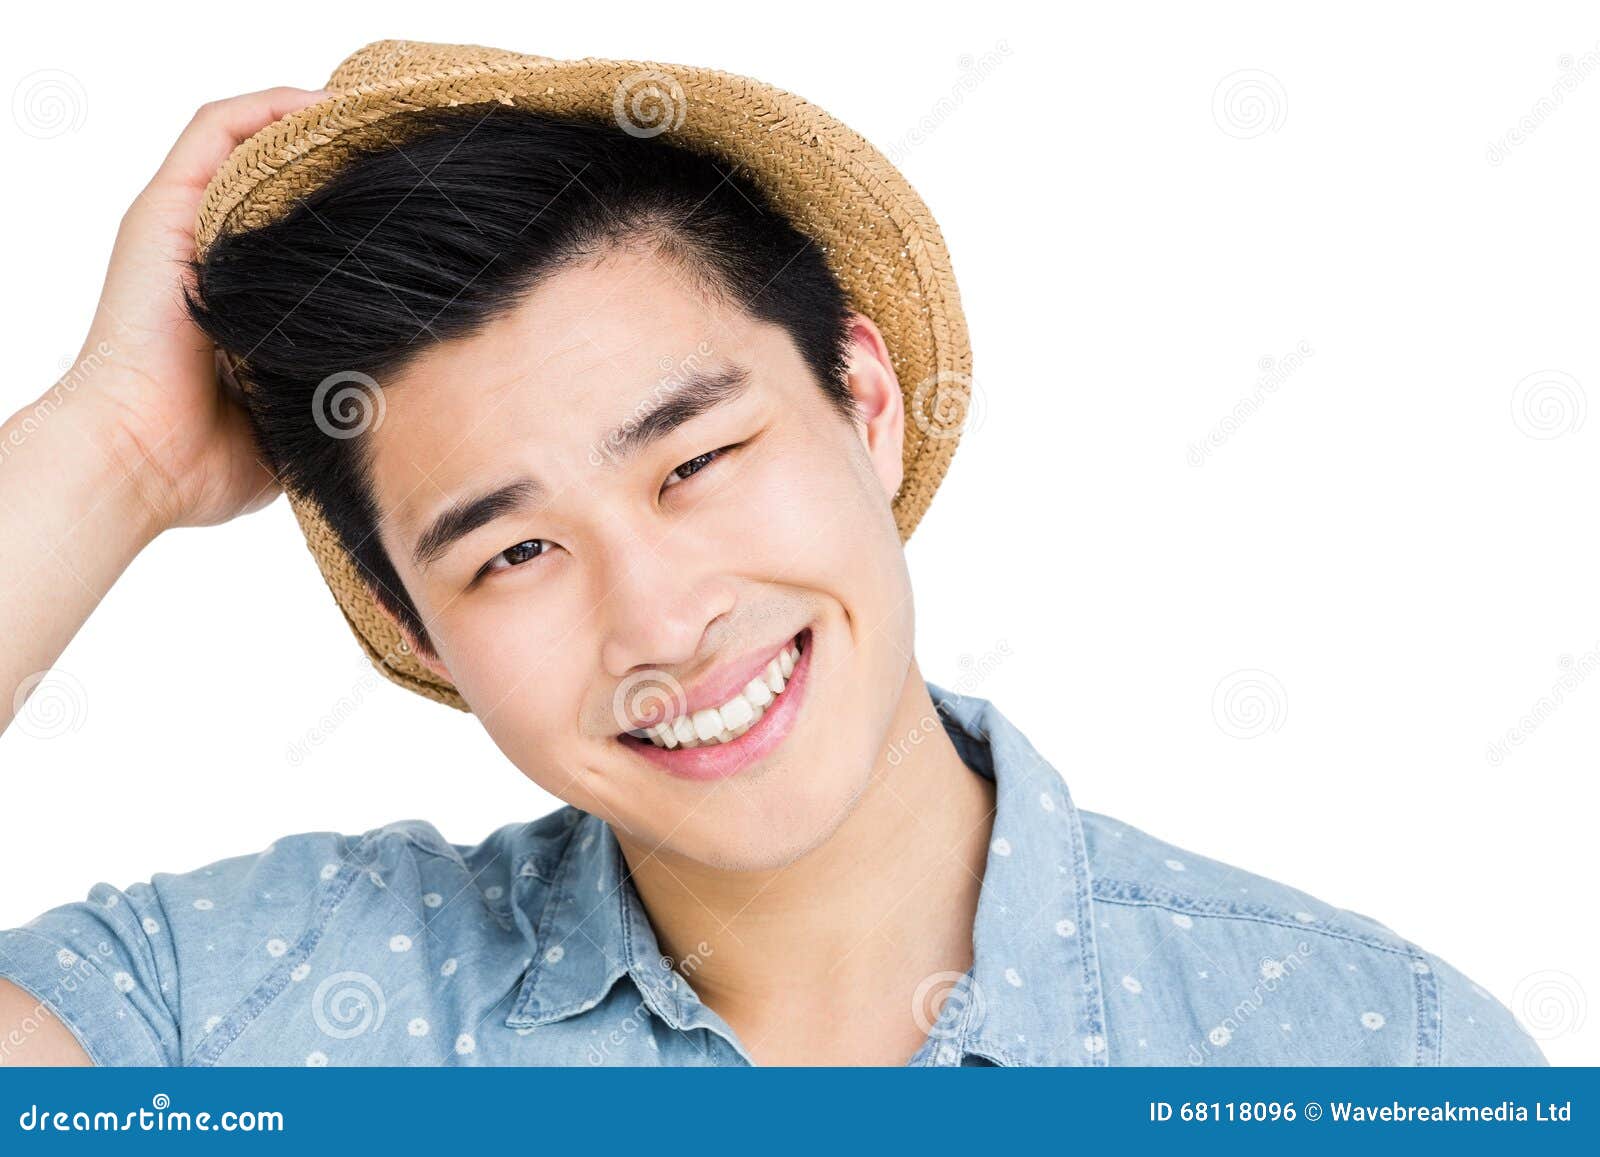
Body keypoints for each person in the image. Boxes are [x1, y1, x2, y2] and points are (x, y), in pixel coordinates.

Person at [0, 56, 1546, 1067]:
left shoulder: (1373, 1058)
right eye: (517, 548)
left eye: (696, 461)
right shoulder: (239, 1012)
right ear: (416, 634)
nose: (662, 618)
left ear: (865, 406)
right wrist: (112, 452)